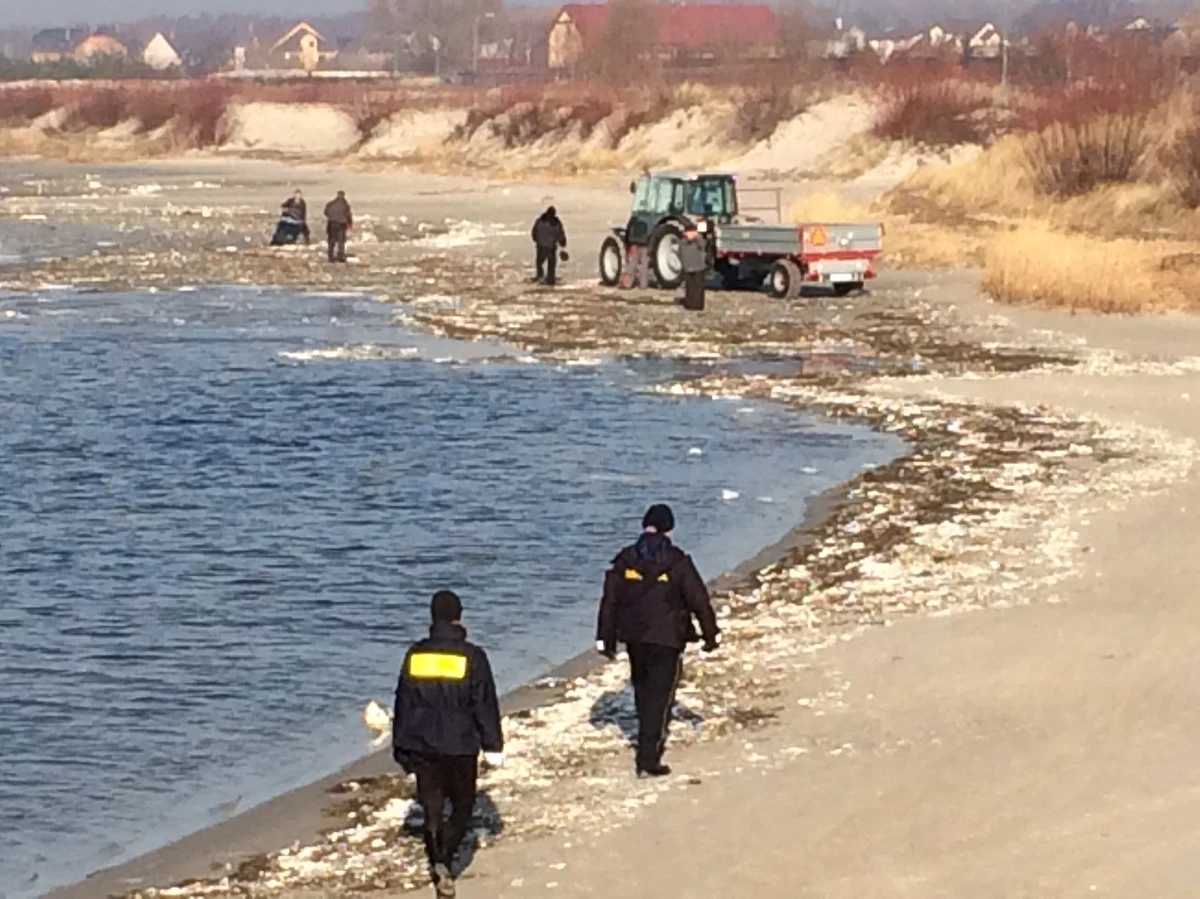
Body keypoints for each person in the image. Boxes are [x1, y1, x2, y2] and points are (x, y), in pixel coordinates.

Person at [392, 590, 504, 898]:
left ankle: (437, 865)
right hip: (460, 744)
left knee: (431, 807)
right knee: (464, 805)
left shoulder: (415, 655)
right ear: (459, 617)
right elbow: (484, 704)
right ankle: (445, 860)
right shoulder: (472, 656)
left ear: (432, 618)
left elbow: (403, 702)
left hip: (422, 743)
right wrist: (493, 745)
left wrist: (400, 746)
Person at [596, 504, 720, 777]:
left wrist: (604, 639)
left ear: (645, 526)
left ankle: (646, 745)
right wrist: (711, 635)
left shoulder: (626, 558)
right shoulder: (677, 560)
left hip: (635, 638)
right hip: (668, 638)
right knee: (661, 695)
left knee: (643, 691)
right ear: (669, 529)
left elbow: (610, 602)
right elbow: (698, 599)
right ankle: (648, 757)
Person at [531, 206, 567, 286]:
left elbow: (534, 232)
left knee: (541, 263)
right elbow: (561, 234)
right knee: (547, 264)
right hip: (547, 247)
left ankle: (542, 278)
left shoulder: (540, 221)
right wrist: (563, 243)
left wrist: (536, 240)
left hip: (545, 247)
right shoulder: (555, 223)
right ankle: (547, 279)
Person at [679, 221, 708, 311]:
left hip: (698, 267)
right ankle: (689, 304)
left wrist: (697, 237)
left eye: (692, 232)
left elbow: (703, 245)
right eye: (689, 232)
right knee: (690, 287)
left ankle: (698, 305)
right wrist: (684, 265)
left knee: (698, 287)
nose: (690, 234)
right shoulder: (682, 242)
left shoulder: (699, 241)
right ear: (685, 233)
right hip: (688, 267)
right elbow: (680, 254)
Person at [324, 190, 353, 263]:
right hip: (341, 224)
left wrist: (332, 218)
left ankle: (330, 257)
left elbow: (326, 213)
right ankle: (341, 256)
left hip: (331, 224)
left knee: (331, 241)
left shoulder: (330, 204)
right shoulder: (345, 205)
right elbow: (348, 214)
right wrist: (349, 223)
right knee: (341, 241)